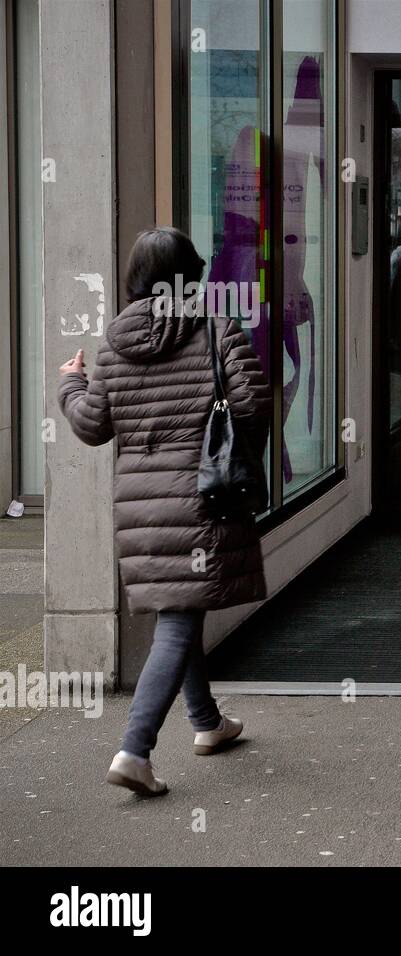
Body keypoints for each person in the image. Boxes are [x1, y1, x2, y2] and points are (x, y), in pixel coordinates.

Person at [58, 227, 271, 796]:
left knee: (181, 610)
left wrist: (71, 386)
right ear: (191, 275)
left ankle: (207, 723)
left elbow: (93, 426)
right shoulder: (216, 327)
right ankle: (134, 749)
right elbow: (251, 405)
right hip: (202, 500)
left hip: (142, 510)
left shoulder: (111, 345)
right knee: (179, 621)